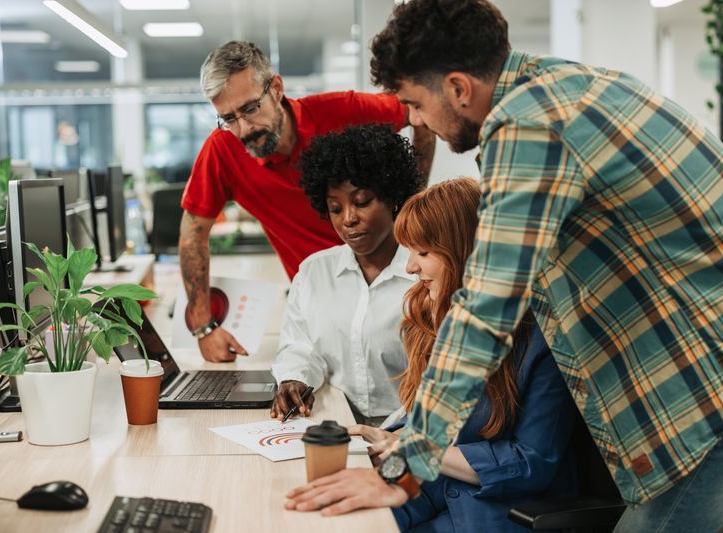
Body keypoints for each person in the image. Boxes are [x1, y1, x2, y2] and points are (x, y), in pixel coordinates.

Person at [284, 1, 723, 530]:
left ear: (458, 88)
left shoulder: (529, 124)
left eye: (413, 103)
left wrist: (406, 464)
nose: (414, 120)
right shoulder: (568, 86)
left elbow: (487, 303)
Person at [179, 41, 435, 362]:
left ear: (276, 88)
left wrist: (413, 203)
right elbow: (193, 233)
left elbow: (419, 112)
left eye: (249, 109)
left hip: (395, 296)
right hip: (321, 306)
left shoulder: (344, 110)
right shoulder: (223, 150)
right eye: (227, 118)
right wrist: (203, 325)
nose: (243, 130)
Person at [348, 178, 577, 532]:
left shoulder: (540, 341)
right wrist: (381, 467)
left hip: (493, 516)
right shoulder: (433, 323)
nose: (409, 267)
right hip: (433, 495)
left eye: (422, 253)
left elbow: (531, 463)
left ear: (465, 253)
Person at [270, 124, 423, 426]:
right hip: (335, 424)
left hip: (411, 431)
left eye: (362, 202)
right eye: (335, 208)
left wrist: (389, 438)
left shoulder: (426, 275)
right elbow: (300, 346)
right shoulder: (314, 272)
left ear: (393, 197)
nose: (349, 219)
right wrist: (294, 380)